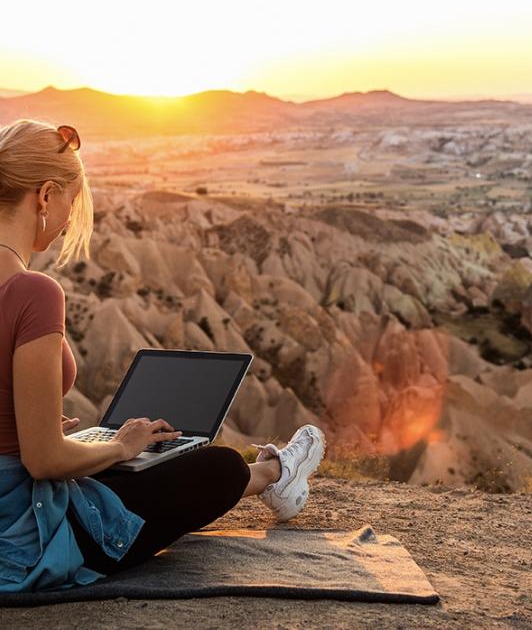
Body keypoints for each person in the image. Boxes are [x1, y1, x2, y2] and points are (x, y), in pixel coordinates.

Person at [0, 119, 326, 592]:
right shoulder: (32, 292)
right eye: (71, 200)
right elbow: (44, 463)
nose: (70, 217)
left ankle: (274, 476)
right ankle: (277, 472)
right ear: (46, 195)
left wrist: (43, 427)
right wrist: (119, 445)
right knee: (216, 467)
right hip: (22, 540)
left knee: (136, 466)